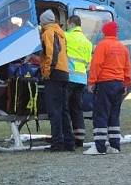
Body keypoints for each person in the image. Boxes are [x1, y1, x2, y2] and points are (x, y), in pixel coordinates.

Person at [84, 21, 131, 156]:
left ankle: (99, 147)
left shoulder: (102, 45)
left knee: (101, 114)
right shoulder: (123, 48)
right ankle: (115, 146)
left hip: (105, 83)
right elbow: (127, 68)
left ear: (104, 32)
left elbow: (96, 65)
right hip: (119, 84)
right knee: (114, 115)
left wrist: (92, 82)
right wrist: (126, 83)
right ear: (116, 32)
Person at [39, 9, 74, 152]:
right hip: (64, 73)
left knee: (54, 110)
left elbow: (51, 55)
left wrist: (46, 72)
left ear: (44, 21)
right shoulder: (61, 33)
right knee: (64, 110)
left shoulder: (48, 32)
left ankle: (57, 143)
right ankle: (69, 142)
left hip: (54, 74)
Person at [65, 15, 93, 148]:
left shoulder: (66, 36)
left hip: (69, 78)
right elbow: (88, 62)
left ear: (70, 24)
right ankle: (79, 138)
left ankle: (66, 137)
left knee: (64, 108)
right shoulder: (88, 42)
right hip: (82, 79)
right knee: (77, 109)